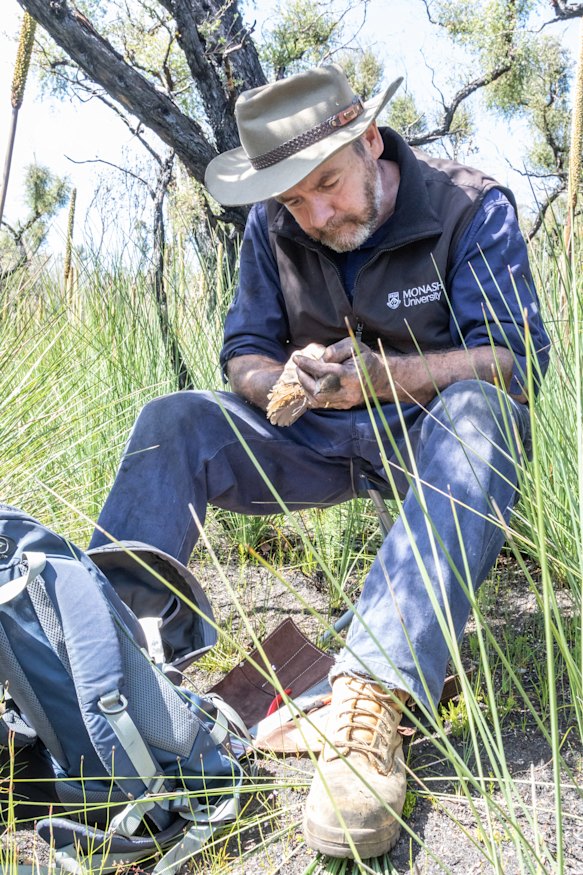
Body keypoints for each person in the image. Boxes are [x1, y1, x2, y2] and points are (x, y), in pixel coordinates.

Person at [90, 64, 550, 860]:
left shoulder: (467, 206)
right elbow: (242, 352)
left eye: (327, 186)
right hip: (313, 437)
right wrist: (283, 379)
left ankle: (367, 702)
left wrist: (392, 376)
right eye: (293, 200)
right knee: (175, 420)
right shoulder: (274, 227)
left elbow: (517, 361)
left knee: (481, 412)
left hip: (433, 442)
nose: (315, 213)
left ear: (369, 140)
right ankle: (101, 673)